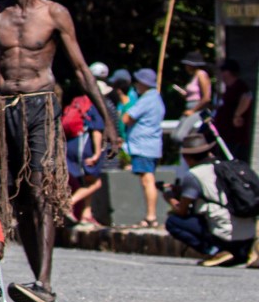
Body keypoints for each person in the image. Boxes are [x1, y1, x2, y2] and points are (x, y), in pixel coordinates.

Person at [0, 0, 115, 302]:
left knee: (42, 191)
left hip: (41, 106)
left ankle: (46, 284)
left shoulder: (54, 14)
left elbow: (82, 70)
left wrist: (110, 123)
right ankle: (39, 284)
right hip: (4, 110)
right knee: (16, 197)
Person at [164, 131, 256, 266]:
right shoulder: (227, 167)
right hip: (248, 234)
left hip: (224, 235)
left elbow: (182, 211)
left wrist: (170, 198)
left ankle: (215, 251)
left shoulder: (194, 174)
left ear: (186, 158)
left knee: (173, 221)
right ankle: (241, 254)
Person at [61, 65, 112, 225]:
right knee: (96, 183)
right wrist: (97, 153)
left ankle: (86, 214)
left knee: (87, 181)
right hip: (85, 148)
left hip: (71, 144)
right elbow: (97, 131)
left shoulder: (80, 101)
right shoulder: (94, 105)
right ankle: (67, 204)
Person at [122, 67, 167, 229]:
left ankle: (150, 216)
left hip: (144, 146)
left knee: (147, 180)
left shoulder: (148, 98)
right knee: (147, 179)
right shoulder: (156, 98)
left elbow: (127, 118)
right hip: (152, 145)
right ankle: (150, 215)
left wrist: (127, 105)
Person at [214, 59, 252, 165]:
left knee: (234, 165)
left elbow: (247, 97)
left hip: (235, 138)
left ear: (229, 72)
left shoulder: (239, 86)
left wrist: (237, 115)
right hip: (226, 136)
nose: (221, 74)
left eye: (223, 70)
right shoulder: (228, 88)